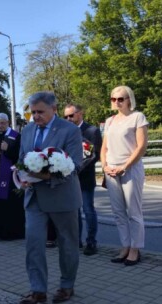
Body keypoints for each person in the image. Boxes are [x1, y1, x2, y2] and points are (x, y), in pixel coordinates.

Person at [19, 92, 82, 304]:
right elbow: (21, 160)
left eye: (40, 112)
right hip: (34, 197)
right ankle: (38, 290)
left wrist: (45, 175)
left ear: (54, 109)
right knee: (34, 244)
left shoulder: (70, 130)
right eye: (32, 112)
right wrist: (22, 177)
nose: (35, 116)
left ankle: (66, 286)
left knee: (67, 243)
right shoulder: (27, 130)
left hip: (62, 196)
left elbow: (75, 165)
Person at [101, 85, 149, 266]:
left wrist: (124, 166)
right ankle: (125, 246)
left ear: (129, 99)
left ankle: (135, 249)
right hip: (111, 171)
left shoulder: (137, 117)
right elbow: (104, 148)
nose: (116, 102)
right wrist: (105, 166)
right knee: (118, 213)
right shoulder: (110, 121)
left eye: (120, 99)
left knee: (134, 212)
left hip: (130, 169)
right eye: (113, 99)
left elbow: (141, 146)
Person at [64, 103, 103, 256]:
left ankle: (91, 241)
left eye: (71, 115)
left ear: (80, 114)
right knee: (74, 211)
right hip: (70, 178)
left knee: (88, 210)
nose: (68, 119)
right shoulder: (66, 132)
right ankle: (76, 241)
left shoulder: (91, 131)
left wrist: (78, 167)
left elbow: (95, 155)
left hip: (85, 177)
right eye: (65, 116)